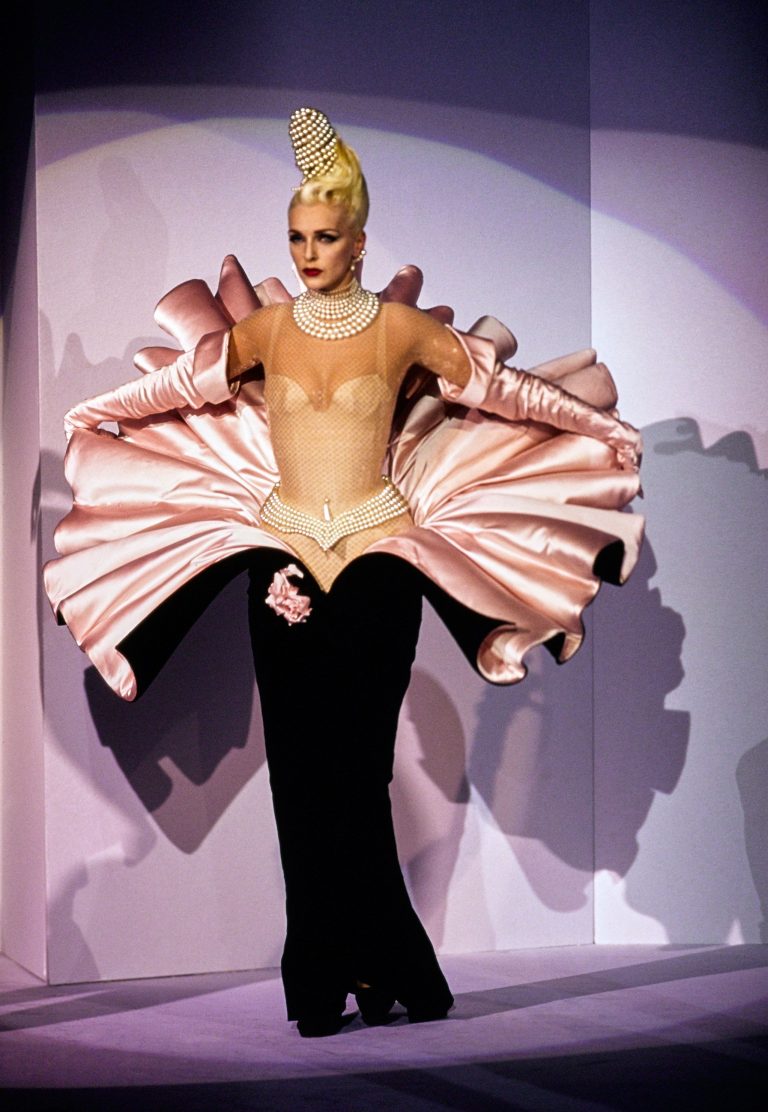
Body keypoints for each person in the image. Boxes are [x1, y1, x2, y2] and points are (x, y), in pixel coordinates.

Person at [45, 107, 644, 1037]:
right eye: (296, 238)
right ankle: (332, 974)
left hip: (379, 565)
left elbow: (503, 390)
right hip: (281, 564)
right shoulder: (269, 330)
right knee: (298, 776)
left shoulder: (399, 329)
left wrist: (599, 425)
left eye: (324, 238)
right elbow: (178, 384)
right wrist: (93, 412)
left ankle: (379, 964)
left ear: (359, 242)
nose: (308, 253)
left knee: (357, 775)